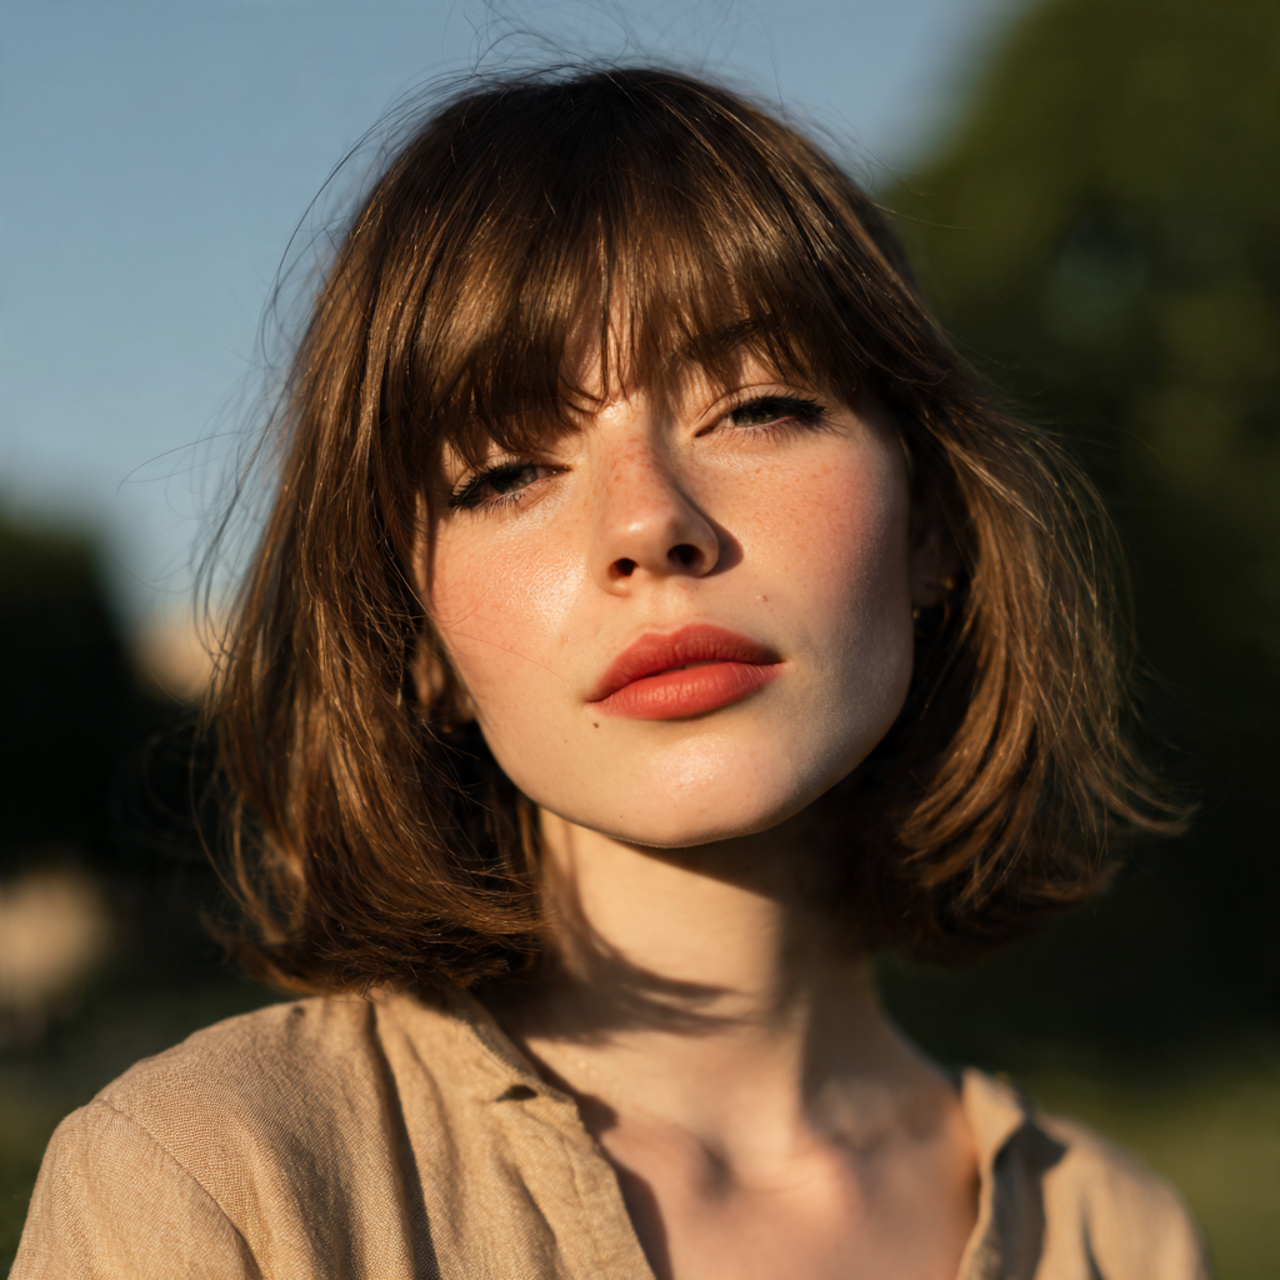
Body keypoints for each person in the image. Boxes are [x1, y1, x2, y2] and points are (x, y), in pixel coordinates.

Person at [13, 66, 1210, 1279]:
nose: (648, 523)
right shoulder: (216, 1185)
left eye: (755, 407)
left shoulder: (1119, 1237)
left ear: (931, 521)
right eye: (504, 473)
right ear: (416, 640)